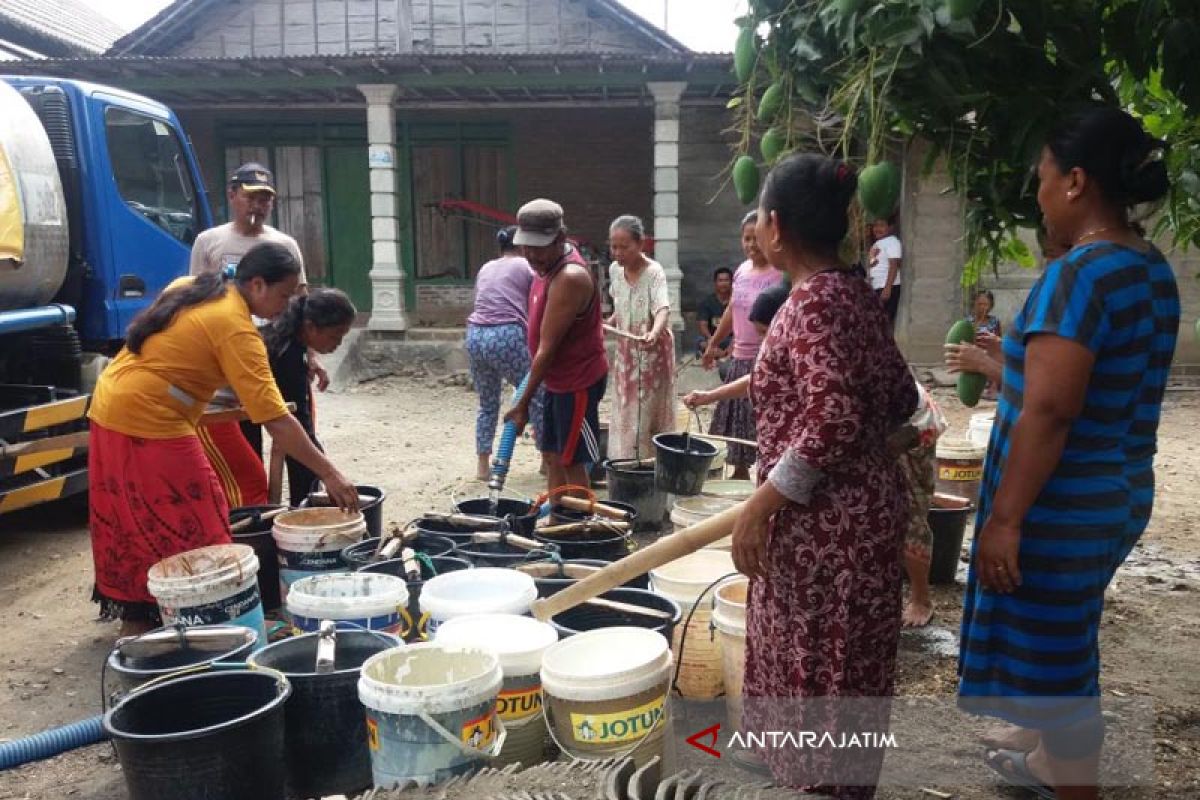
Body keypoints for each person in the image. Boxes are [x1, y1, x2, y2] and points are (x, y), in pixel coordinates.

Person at [958, 107, 1177, 800]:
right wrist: (1010, 367)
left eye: (1044, 179)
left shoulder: (1079, 273)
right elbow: (1090, 379)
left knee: (1059, 668)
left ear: (1077, 182)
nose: (1040, 194)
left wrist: (1006, 519)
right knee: (1065, 639)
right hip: (1116, 491)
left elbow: (1052, 412)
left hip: (1060, 503)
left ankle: (1073, 783)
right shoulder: (1147, 266)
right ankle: (1047, 759)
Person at [732, 154, 918, 796]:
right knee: (847, 668)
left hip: (825, 535)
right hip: (857, 522)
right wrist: (868, 458)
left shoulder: (813, 305)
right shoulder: (857, 297)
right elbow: (899, 400)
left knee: (824, 668)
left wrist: (759, 507)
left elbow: (832, 418)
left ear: (775, 225)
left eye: (757, 215)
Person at [87, 243, 358, 637]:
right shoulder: (235, 326)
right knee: (202, 515)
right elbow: (277, 421)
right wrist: (332, 475)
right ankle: (221, 625)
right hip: (148, 417)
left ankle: (144, 615)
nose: (287, 306)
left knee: (136, 516)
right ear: (258, 284)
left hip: (112, 403)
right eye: (284, 296)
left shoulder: (194, 286)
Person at [188, 163, 327, 507]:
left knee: (296, 423)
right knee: (246, 425)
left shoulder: (284, 244)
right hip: (232, 348)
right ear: (232, 196)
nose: (258, 206)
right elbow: (197, 297)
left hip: (282, 348)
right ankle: (256, 509)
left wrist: (310, 354)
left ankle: (304, 506)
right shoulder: (210, 242)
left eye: (265, 199)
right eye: (251, 197)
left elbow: (301, 299)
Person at [503, 199, 608, 495]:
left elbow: (547, 349)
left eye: (538, 246)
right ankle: (557, 518)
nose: (530, 254)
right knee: (551, 456)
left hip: (577, 380)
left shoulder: (569, 277)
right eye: (526, 246)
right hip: (555, 379)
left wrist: (521, 404)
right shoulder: (545, 266)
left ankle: (580, 528)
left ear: (560, 238)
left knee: (571, 459)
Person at [240, 288, 356, 507]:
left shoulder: (287, 340)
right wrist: (327, 472)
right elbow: (294, 422)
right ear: (311, 327)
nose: (339, 343)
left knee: (301, 456)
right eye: (334, 336)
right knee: (251, 477)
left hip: (247, 412)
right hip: (225, 413)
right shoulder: (287, 354)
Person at [701, 212, 783, 480]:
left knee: (764, 423)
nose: (751, 245)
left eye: (757, 238)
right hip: (740, 355)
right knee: (737, 427)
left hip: (768, 357)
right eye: (746, 239)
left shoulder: (781, 274)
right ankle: (738, 476)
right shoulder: (741, 271)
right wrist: (713, 344)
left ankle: (770, 477)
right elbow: (731, 311)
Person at [465, 226, 547, 481]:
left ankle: (482, 465)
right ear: (523, 246)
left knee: (487, 403)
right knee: (536, 394)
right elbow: (538, 303)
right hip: (506, 334)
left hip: (475, 334)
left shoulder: (487, 267)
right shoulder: (526, 266)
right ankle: (546, 459)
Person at [605, 215, 675, 460]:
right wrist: (609, 323)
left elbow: (662, 309)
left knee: (646, 411)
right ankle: (625, 460)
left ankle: (649, 463)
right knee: (626, 407)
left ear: (640, 244)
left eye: (624, 247)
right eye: (614, 246)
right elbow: (621, 305)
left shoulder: (654, 272)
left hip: (652, 356)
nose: (618, 252)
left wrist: (654, 333)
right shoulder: (615, 271)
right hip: (626, 354)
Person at [681, 281, 790, 410]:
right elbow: (756, 380)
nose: (760, 339)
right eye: (758, 333)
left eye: (764, 332)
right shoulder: (773, 356)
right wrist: (709, 396)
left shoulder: (799, 355)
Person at [868, 214, 902, 324]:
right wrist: (872, 257)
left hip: (886, 286)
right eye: (875, 226)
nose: (877, 229)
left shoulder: (892, 242)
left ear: (890, 227)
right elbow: (874, 266)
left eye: (881, 225)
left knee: (884, 322)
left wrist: (888, 288)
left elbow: (894, 264)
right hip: (877, 287)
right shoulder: (877, 244)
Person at [696, 267, 733, 362]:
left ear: (731, 282)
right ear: (715, 283)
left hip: (731, 340)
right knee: (700, 342)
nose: (723, 284)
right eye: (720, 280)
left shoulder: (737, 302)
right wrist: (711, 340)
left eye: (726, 280)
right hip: (713, 338)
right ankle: (723, 354)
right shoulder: (707, 303)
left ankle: (717, 354)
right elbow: (702, 325)